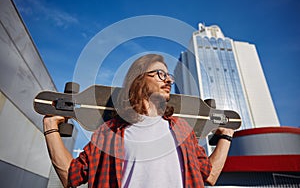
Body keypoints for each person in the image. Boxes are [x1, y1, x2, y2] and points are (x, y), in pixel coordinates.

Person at [43, 54, 234, 188]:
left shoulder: (182, 130)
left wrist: (226, 137)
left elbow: (209, 175)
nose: (168, 81)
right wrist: (50, 127)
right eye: (160, 74)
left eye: (169, 76)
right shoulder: (109, 133)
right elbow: (70, 175)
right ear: (139, 79)